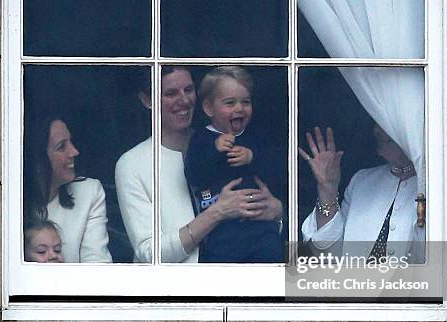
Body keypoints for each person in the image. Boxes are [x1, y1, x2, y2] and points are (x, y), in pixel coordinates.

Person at [115, 66, 283, 263]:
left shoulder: (228, 140)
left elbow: (270, 183)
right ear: (147, 100)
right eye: (170, 93)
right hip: (176, 290)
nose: (184, 100)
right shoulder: (132, 164)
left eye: (188, 90)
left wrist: (277, 213)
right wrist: (217, 212)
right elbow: (149, 253)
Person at [184, 66, 283, 263]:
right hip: (223, 231)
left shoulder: (256, 136)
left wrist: (253, 157)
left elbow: (277, 171)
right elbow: (193, 175)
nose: (239, 108)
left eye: (245, 102)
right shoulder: (202, 138)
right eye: (230, 103)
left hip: (261, 226)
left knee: (271, 270)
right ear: (209, 108)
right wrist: (214, 149)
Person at [300, 125, 424, 261]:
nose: (379, 130)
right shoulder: (362, 180)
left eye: (387, 138)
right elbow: (323, 256)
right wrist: (327, 190)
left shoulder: (436, 184)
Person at [24, 116, 112, 263]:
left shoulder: (88, 192)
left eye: (71, 142)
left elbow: (97, 266)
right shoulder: (12, 199)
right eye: (61, 147)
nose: (74, 152)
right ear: (38, 158)